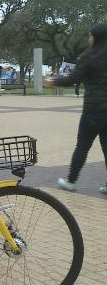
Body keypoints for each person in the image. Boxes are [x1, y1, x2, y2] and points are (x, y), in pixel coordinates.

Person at [48, 23, 107, 193]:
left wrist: (53, 82)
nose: (89, 39)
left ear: (96, 38)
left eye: (90, 36)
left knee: (82, 146)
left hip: (93, 111)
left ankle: (71, 181)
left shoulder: (89, 57)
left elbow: (73, 78)